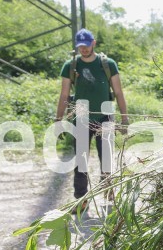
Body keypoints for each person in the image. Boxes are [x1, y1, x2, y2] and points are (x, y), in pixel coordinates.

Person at [55, 28, 129, 208]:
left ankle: (109, 190)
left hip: (105, 115)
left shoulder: (108, 64)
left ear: (93, 43)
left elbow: (118, 92)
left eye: (87, 46)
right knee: (80, 161)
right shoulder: (71, 66)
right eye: (81, 46)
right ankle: (81, 199)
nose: (84, 49)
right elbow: (65, 95)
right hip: (81, 116)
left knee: (106, 157)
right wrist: (58, 120)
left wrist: (124, 119)